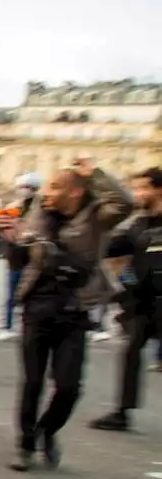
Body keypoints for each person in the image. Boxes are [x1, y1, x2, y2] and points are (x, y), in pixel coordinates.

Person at [1, 162, 131, 470]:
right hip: (37, 307)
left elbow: (125, 203)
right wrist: (11, 241)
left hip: (75, 310)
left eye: (55, 187)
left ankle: (48, 429)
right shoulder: (38, 213)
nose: (47, 193)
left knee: (69, 386)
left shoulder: (97, 217)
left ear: (74, 192)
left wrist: (95, 174)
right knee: (32, 382)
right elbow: (17, 261)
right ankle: (25, 444)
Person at [89, 168, 162, 431]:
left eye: (143, 188)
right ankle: (122, 412)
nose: (138, 194)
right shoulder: (138, 224)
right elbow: (114, 249)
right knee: (130, 351)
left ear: (158, 189)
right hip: (142, 302)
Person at [0, 174, 40, 341]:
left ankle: (26, 326)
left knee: (29, 295)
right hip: (15, 257)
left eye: (28, 188)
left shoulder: (41, 209)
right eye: (22, 187)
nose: (24, 191)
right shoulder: (12, 207)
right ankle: (7, 326)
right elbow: (3, 229)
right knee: (11, 294)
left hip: (33, 259)